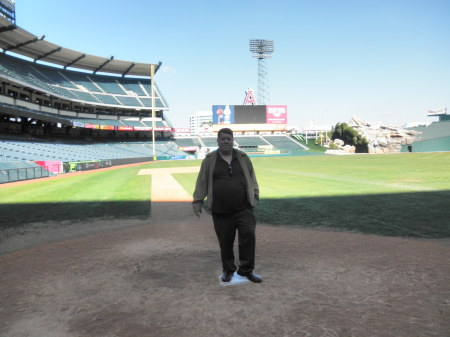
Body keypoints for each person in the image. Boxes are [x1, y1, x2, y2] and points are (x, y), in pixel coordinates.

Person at [193, 128, 262, 283]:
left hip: (244, 208)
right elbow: (202, 182)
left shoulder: (243, 157)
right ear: (218, 141)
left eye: (228, 139)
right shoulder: (210, 160)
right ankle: (228, 269)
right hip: (221, 211)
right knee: (225, 242)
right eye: (222, 139)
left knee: (248, 237)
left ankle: (246, 270)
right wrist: (197, 201)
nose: (226, 141)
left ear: (232, 141)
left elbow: (252, 178)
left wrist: (255, 195)